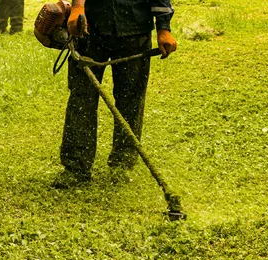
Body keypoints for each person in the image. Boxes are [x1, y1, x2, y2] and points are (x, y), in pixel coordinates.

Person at [52, 0, 177, 188]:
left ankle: (122, 166)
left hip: (135, 30)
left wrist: (163, 28)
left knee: (131, 101)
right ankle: (76, 169)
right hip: (89, 29)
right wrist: (78, 7)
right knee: (81, 99)